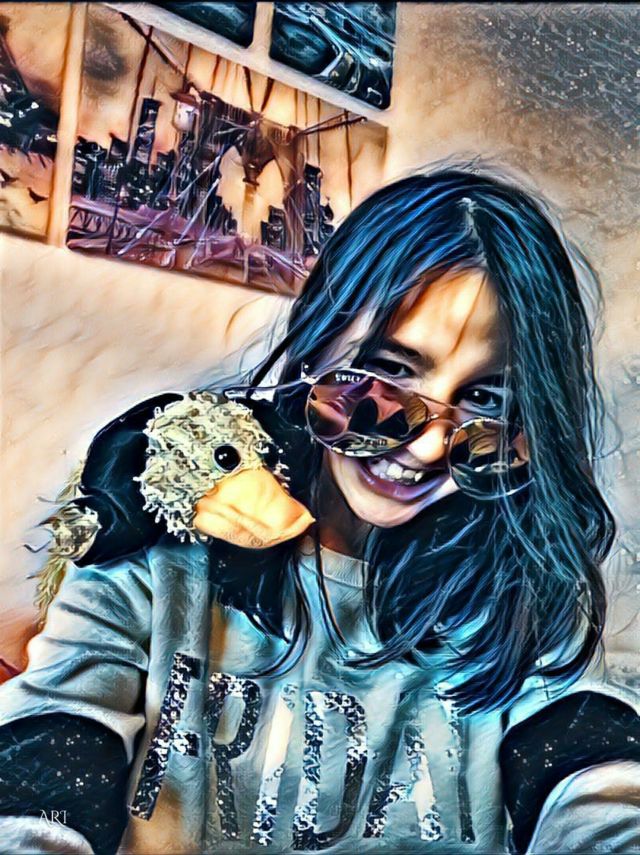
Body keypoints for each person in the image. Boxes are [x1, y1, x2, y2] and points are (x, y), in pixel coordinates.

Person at [0, 166, 639, 854]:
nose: (429, 447)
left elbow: (590, 778)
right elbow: (46, 766)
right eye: (390, 372)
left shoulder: (524, 586)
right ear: (319, 340)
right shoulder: (165, 536)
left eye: (486, 402)